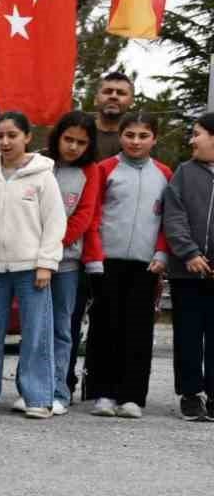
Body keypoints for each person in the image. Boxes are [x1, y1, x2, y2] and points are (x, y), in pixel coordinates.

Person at [0, 112, 66, 419]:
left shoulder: (43, 176)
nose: (5, 142)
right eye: (0, 136)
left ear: (27, 137)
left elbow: (55, 222)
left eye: (12, 135)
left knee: (36, 334)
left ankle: (38, 397)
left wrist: (46, 263)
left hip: (32, 268)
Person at [85, 111, 172, 419]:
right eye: (130, 135)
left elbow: (169, 220)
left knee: (138, 329)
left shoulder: (164, 174)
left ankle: (133, 396)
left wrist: (162, 253)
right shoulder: (105, 169)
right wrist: (95, 256)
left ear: (154, 139)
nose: (136, 141)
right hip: (107, 262)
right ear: (120, 136)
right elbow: (93, 214)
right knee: (105, 326)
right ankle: (103, 393)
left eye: (143, 136)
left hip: (146, 265)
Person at [46, 111, 102, 417]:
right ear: (58, 136)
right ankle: (32, 389)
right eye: (68, 139)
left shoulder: (90, 171)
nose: (73, 147)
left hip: (66, 261)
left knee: (62, 327)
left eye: (81, 142)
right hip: (34, 258)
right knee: (35, 327)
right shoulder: (41, 163)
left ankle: (58, 391)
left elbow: (84, 215)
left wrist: (55, 242)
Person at [162, 111, 214, 421]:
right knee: (188, 335)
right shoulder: (184, 172)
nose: (191, 140)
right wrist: (189, 253)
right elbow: (174, 216)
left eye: (197, 134)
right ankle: (191, 394)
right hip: (187, 272)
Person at [91, 71, 134, 161]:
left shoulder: (141, 139)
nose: (113, 96)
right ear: (95, 99)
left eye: (121, 93)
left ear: (131, 102)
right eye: (107, 92)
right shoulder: (77, 133)